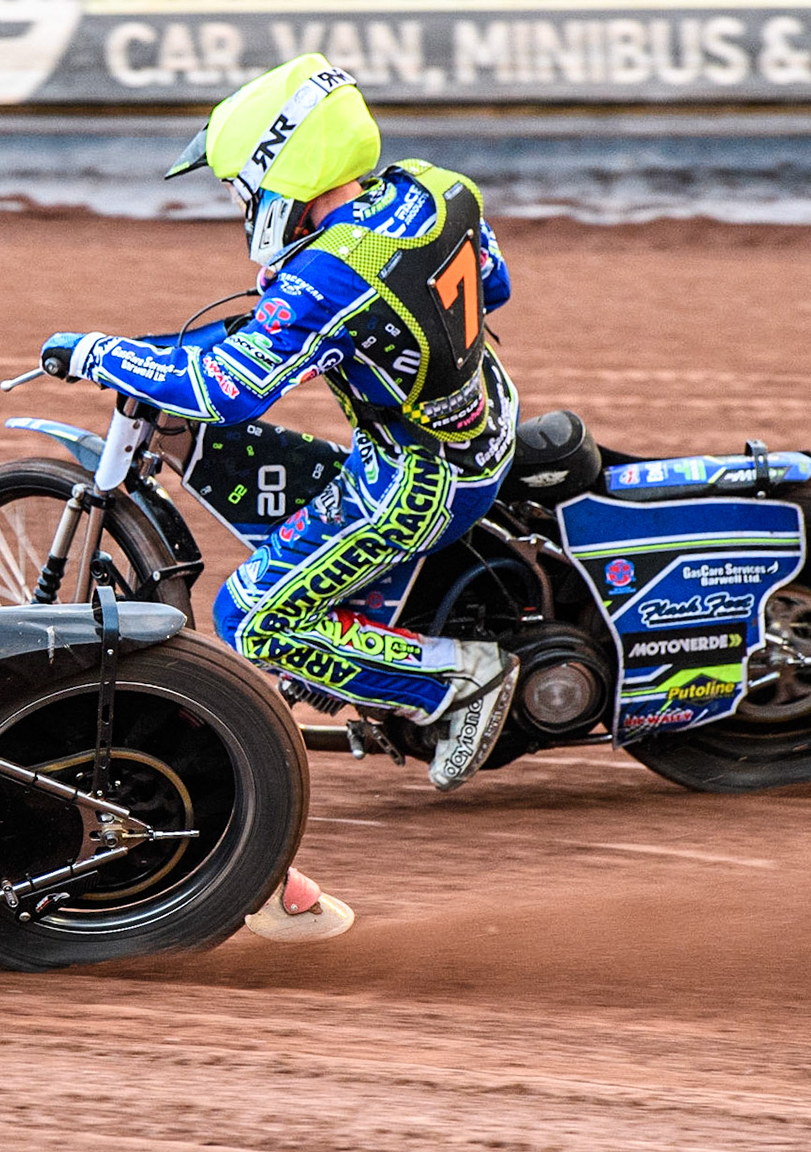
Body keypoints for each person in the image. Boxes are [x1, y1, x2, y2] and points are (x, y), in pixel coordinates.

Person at [40, 55, 523, 942]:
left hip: (416, 472)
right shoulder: (435, 187)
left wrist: (99, 352)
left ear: (281, 180)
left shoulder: (327, 276)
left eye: (240, 189)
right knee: (297, 524)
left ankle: (456, 682)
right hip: (486, 410)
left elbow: (227, 391)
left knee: (252, 615)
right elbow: (490, 284)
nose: (237, 208)